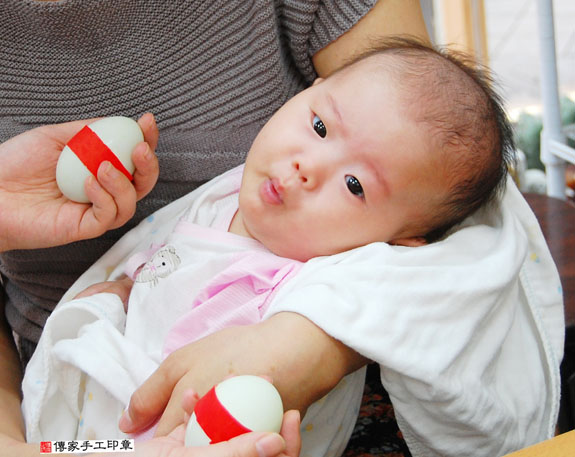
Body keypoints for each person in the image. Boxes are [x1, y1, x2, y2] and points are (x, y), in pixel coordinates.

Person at [23, 38, 520, 457]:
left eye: (354, 184)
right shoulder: (227, 196)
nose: (308, 166)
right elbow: (175, 258)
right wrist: (127, 288)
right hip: (89, 410)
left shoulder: (316, 291)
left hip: (148, 434)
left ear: (398, 244)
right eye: (320, 127)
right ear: (312, 89)